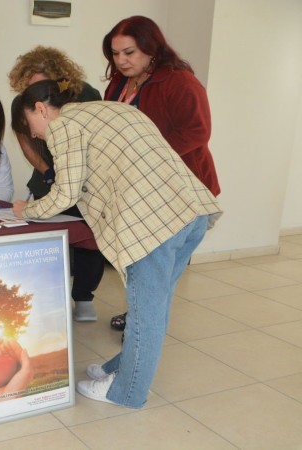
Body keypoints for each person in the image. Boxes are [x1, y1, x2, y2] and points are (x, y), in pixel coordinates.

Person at [12, 79, 222, 408]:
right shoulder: (109, 109)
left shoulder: (63, 124)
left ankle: (127, 391)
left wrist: (27, 210)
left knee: (144, 313)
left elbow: (66, 192)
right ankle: (122, 368)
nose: (36, 135)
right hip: (190, 211)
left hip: (152, 224)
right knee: (156, 306)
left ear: (40, 109)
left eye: (30, 126)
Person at [102, 16, 221, 334]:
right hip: (142, 188)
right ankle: (141, 319)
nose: (121, 60)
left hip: (181, 192)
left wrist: (150, 154)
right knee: (144, 268)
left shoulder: (180, 82)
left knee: (156, 274)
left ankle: (142, 327)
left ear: (151, 48)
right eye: (115, 53)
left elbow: (197, 132)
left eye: (129, 52)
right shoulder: (119, 83)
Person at [8, 46, 106, 322]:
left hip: (85, 178)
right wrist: (49, 172)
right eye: (30, 87)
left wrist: (72, 175)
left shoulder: (86, 95)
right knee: (47, 239)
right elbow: (26, 143)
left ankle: (84, 297)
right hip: (48, 177)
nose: (36, 94)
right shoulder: (21, 104)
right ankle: (46, 298)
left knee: (89, 240)